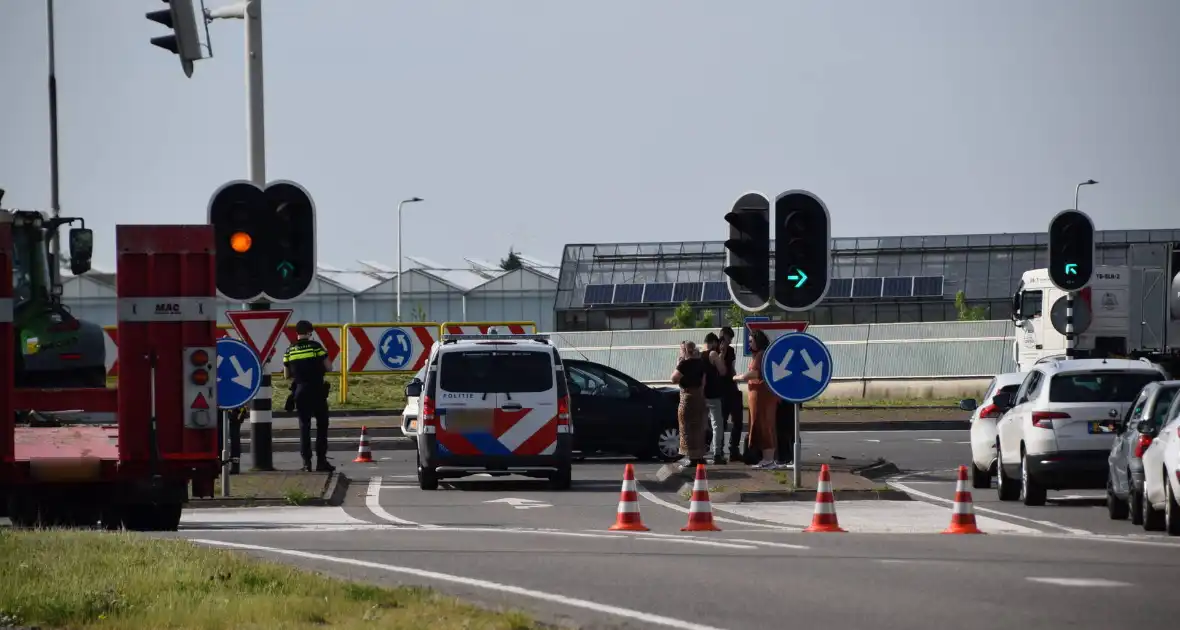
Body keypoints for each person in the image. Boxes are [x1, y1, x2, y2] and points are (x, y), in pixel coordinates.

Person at [283, 320, 335, 473]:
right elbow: (329, 368)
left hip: (300, 391)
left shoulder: (290, 350)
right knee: (322, 426)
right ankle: (321, 461)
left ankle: (307, 463)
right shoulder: (316, 347)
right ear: (309, 332)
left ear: (297, 333)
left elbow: (286, 375)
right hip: (317, 390)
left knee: (304, 427)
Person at [733, 329, 785, 469]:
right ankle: (766, 458)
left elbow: (755, 374)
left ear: (758, 341)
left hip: (762, 395)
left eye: (751, 341)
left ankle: (768, 459)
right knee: (761, 425)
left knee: (763, 424)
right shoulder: (760, 355)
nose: (749, 344)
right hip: (760, 395)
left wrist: (738, 377)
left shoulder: (761, 355)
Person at [670, 341, 709, 468]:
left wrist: (678, 364)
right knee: (699, 426)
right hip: (699, 396)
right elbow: (704, 381)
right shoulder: (701, 363)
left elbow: (674, 378)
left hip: (687, 396)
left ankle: (691, 457)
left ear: (685, 351)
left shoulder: (684, 364)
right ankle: (699, 456)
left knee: (686, 426)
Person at [718, 327, 744, 460]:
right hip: (721, 391)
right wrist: (722, 352)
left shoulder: (731, 350)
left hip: (732, 388)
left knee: (738, 421)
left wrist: (736, 378)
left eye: (730, 339)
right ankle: (719, 450)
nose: (729, 341)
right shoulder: (714, 351)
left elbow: (731, 368)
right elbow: (719, 369)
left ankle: (734, 449)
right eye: (728, 338)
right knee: (722, 422)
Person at [702, 332, 727, 465]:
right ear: (713, 342)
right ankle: (717, 454)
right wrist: (722, 354)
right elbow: (722, 371)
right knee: (717, 425)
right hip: (713, 394)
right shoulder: (713, 354)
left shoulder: (699, 354)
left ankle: (700, 452)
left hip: (700, 395)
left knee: (702, 424)